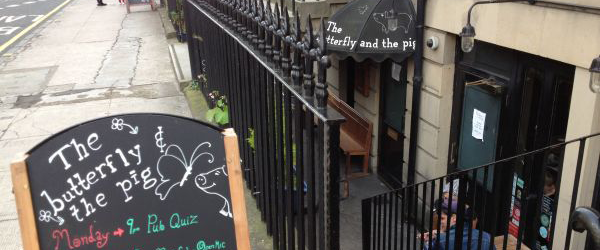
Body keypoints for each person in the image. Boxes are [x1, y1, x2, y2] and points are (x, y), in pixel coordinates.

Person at [424, 200, 495, 250]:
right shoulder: (486, 237)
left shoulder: (442, 241)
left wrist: (429, 242)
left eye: (442, 218)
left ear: (455, 218)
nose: (440, 222)